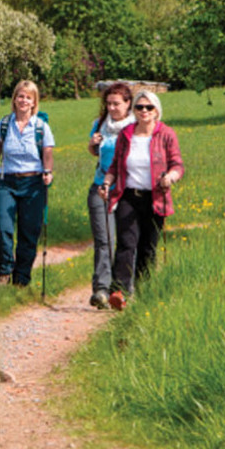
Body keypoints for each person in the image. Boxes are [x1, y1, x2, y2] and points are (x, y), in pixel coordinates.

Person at [105, 89, 182, 309]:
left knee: (148, 247)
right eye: (139, 107)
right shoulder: (126, 134)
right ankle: (119, 292)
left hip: (155, 197)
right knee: (126, 244)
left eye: (149, 107)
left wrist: (171, 177)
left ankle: (144, 291)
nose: (144, 111)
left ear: (157, 111)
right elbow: (114, 167)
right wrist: (106, 183)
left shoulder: (166, 134)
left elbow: (177, 164)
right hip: (128, 195)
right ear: (134, 110)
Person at [0, 79, 55, 288]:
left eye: (28, 97)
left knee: (29, 230)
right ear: (14, 99)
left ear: (34, 102)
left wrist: (48, 172)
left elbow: (47, 153)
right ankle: (4, 271)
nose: (23, 100)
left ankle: (22, 277)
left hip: (33, 182)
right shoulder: (4, 124)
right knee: (3, 229)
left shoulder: (41, 126)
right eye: (20, 96)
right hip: (6, 182)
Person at [85, 82, 134, 309]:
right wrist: (93, 145)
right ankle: (101, 290)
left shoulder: (136, 126)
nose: (112, 108)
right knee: (104, 241)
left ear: (128, 104)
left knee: (126, 241)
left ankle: (122, 288)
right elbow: (96, 152)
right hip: (100, 187)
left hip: (128, 189)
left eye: (117, 103)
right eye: (109, 103)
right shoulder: (100, 125)